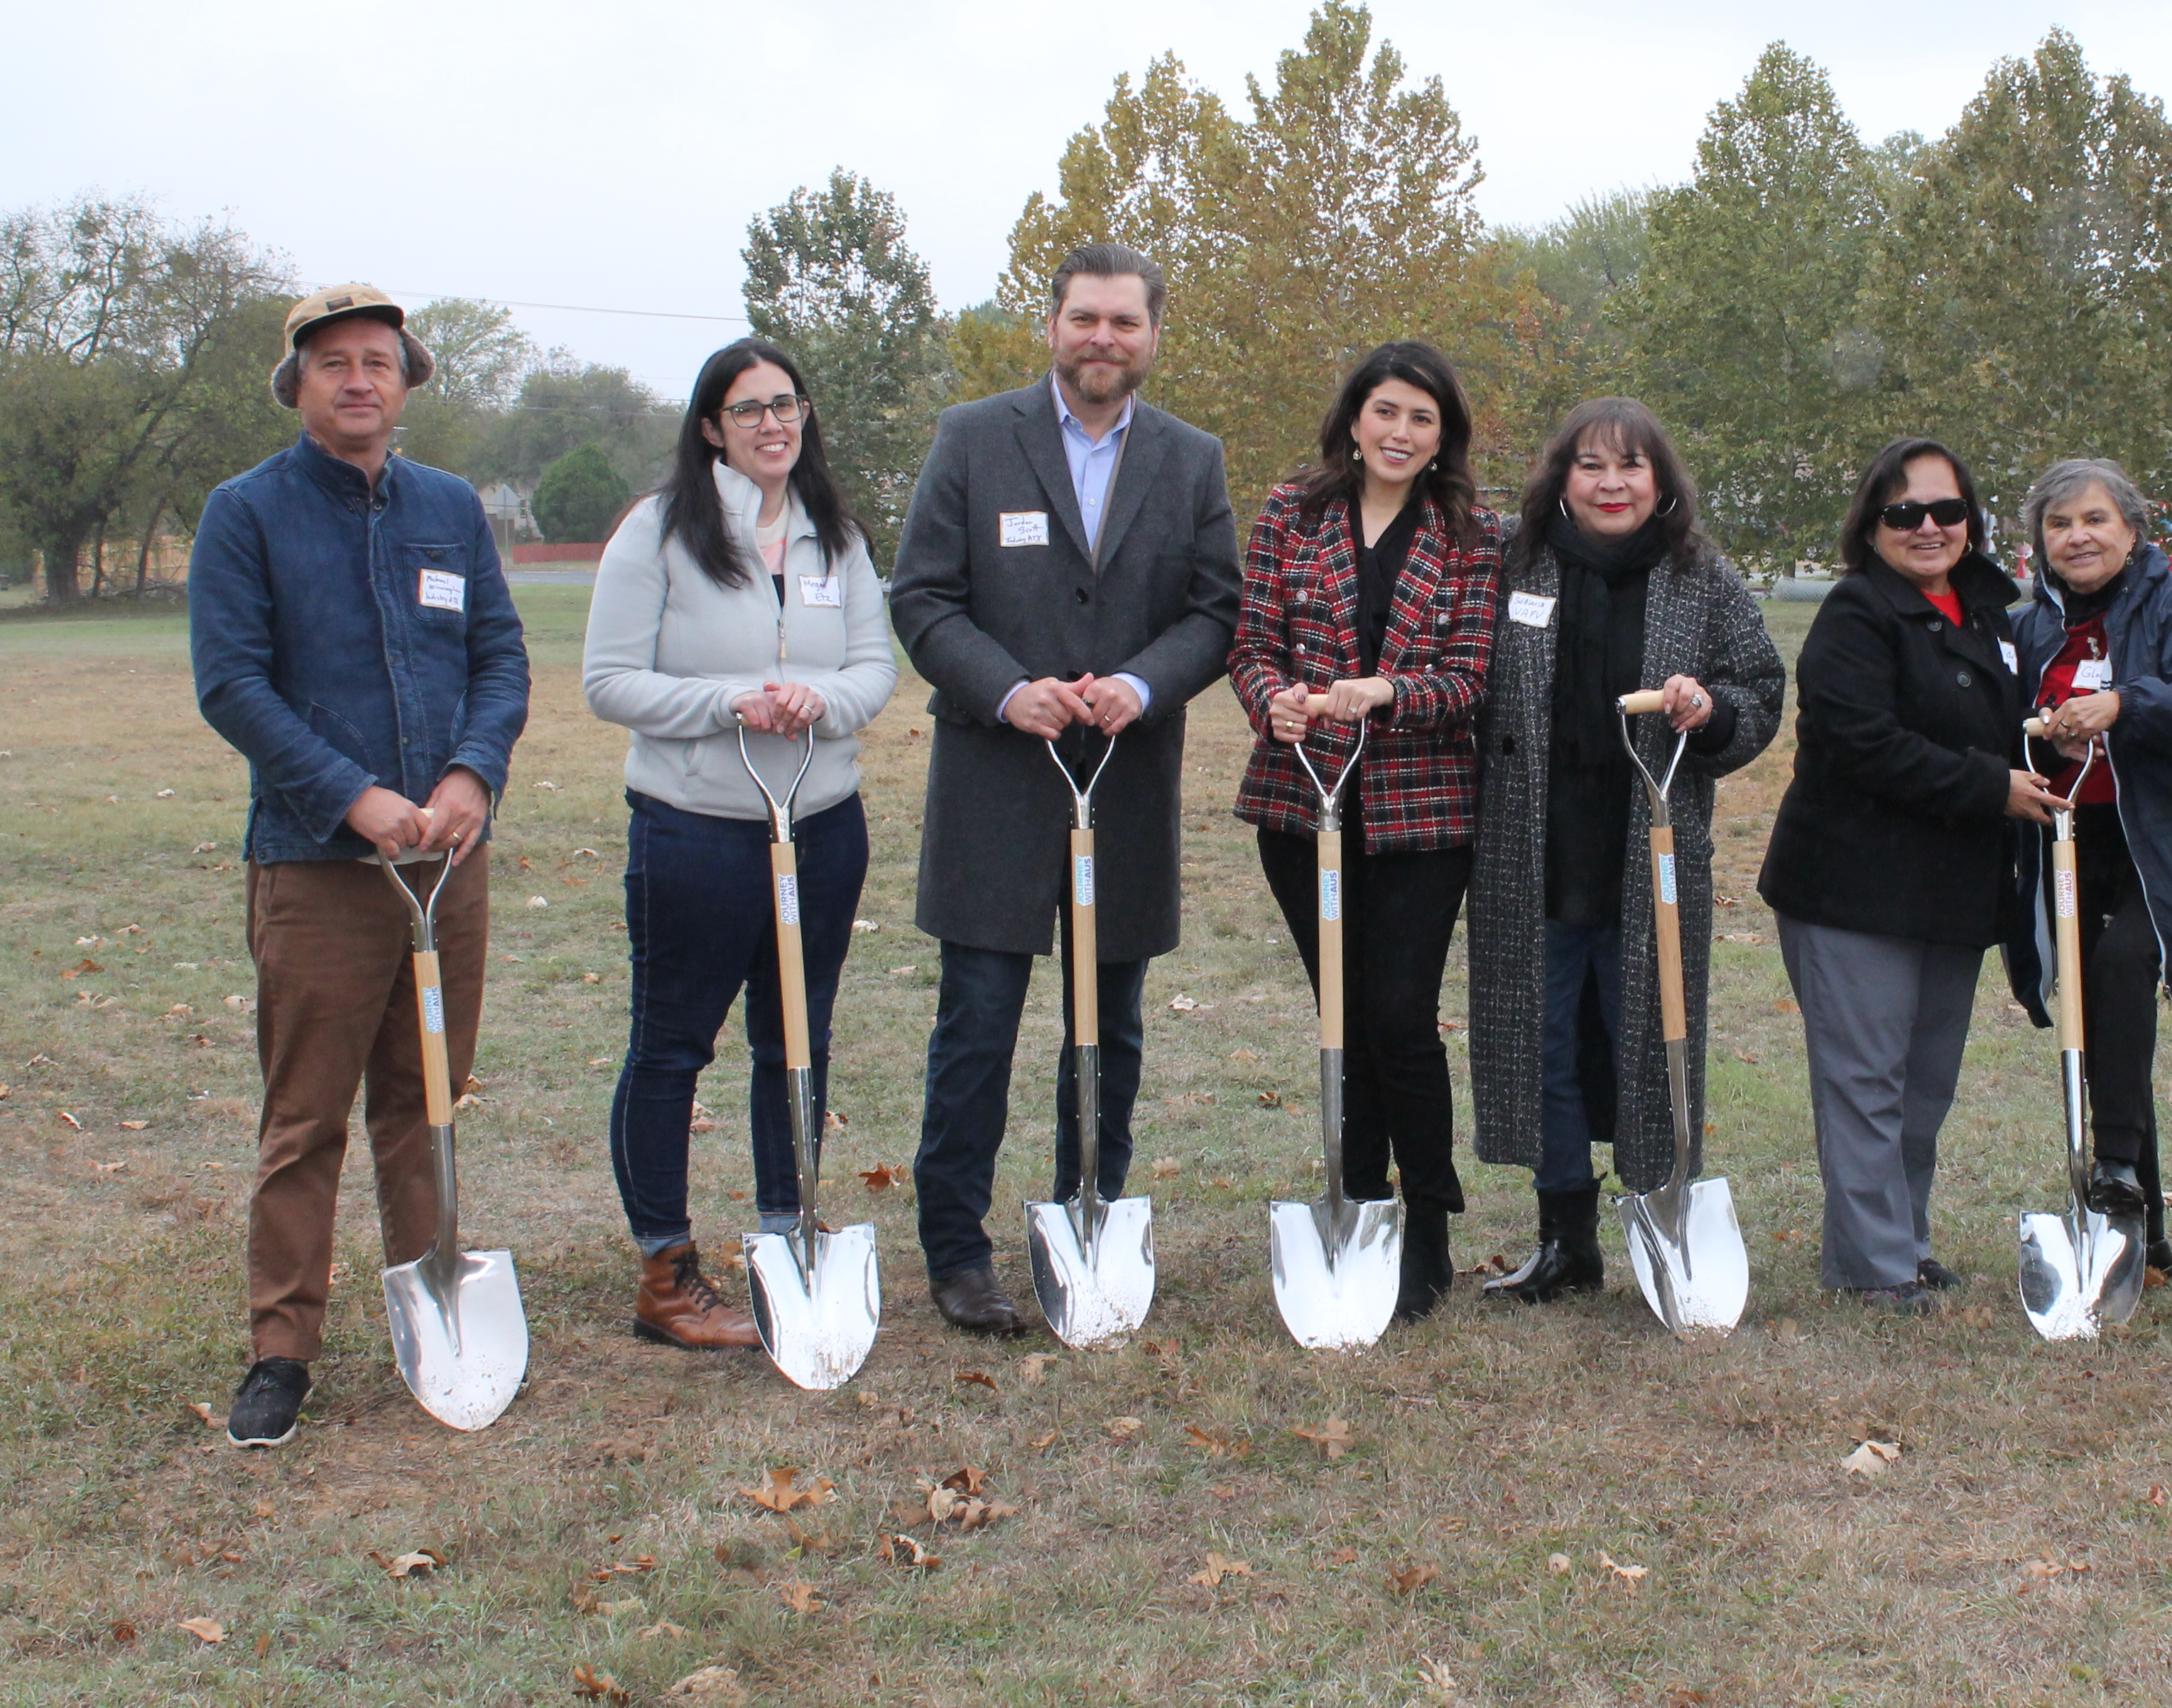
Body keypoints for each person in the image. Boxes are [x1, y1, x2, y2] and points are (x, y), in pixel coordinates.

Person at [188, 283, 530, 1447]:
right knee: (305, 1118)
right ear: (299, 383)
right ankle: (281, 1347)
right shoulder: (248, 513)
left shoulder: (447, 509)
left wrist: (471, 773)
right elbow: (232, 683)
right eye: (332, 361)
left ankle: (427, 1294)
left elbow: (497, 651)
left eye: (377, 360)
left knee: (425, 1097)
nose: (356, 379)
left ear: (404, 379)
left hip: (445, 863)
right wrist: (355, 795)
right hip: (320, 866)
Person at [889, 243, 1242, 1337]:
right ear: (1052, 325)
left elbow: (1217, 611)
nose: (1103, 339)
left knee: (1111, 1025)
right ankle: (956, 1249)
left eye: (1124, 323)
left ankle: (1089, 1206)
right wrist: (1006, 691)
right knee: (977, 1025)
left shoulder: (1190, 459)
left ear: (1152, 336)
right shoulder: (972, 439)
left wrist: (1142, 682)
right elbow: (924, 599)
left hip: (1124, 784)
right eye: (1084, 318)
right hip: (998, 782)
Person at [580, 339, 898, 1348]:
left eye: (788, 405)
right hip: (696, 831)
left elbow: (874, 668)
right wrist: (734, 703)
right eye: (750, 408)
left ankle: (785, 1229)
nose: (774, 424)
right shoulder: (659, 532)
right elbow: (609, 682)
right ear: (712, 426)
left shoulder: (833, 536)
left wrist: (820, 698)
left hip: (819, 824)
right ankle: (666, 1270)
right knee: (673, 1045)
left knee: (795, 1037)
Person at [1467, 399, 1784, 1302]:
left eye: (1632, 466)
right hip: (1531, 853)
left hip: (1651, 853)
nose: (1612, 483)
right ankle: (1566, 1238)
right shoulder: (1513, 566)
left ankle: (1661, 1221)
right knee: (1543, 1040)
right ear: (1561, 478)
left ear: (1661, 481)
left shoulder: (1700, 577)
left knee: (1652, 1033)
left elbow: (1759, 685)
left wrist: (1708, 707)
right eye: (1592, 465)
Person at [1229, 344, 1502, 1321]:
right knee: (1342, 1016)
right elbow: (1252, 644)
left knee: (1396, 1013)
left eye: (1422, 419)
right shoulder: (1291, 515)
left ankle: (1426, 1214)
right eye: (1386, 411)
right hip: (1304, 807)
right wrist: (1277, 705)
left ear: (1443, 438)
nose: (1400, 432)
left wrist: (1388, 691)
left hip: (1424, 815)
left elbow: (1472, 678)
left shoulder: (1473, 534)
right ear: (1354, 419)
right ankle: (1360, 1200)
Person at [1759, 439, 2056, 1310]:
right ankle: (1872, 1265)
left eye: (1947, 510)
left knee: (1924, 1085)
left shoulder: (1988, 614)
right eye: (1905, 513)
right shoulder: (1856, 615)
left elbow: (1995, 724)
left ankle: (1905, 1239)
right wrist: (1989, 785)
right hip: (1854, 888)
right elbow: (1862, 744)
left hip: (1953, 886)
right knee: (1865, 1082)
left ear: (1972, 520)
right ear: (1872, 524)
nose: (1929, 527)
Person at [2001, 459, 2172, 1275]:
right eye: (2059, 524)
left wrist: (2124, 705)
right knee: (2099, 1019)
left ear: (2133, 531)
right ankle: (2138, 1232)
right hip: (2071, 842)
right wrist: (2034, 733)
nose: (2078, 536)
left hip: (2168, 849)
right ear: (2041, 542)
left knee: (2119, 970)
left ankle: (2112, 1165)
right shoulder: (2029, 626)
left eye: (2095, 520)